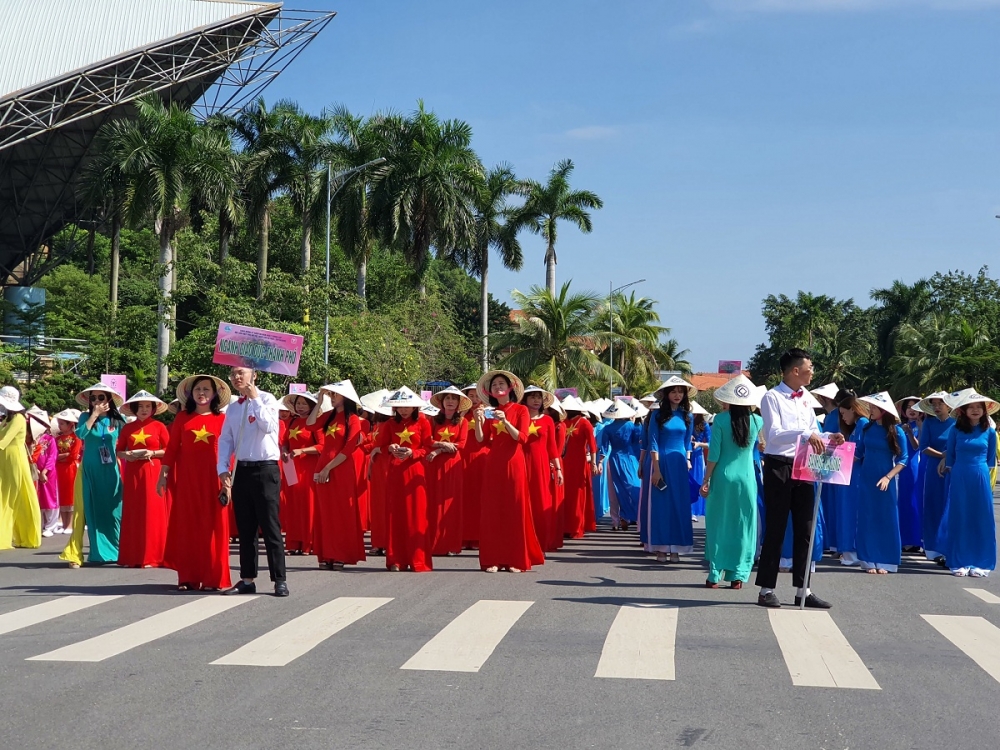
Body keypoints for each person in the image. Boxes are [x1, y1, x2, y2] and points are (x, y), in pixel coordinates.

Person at [755, 349, 843, 609]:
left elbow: (814, 431)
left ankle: (803, 589)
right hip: (779, 465)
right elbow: (774, 434)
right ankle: (766, 589)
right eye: (810, 366)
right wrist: (806, 433)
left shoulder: (807, 398)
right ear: (795, 370)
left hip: (805, 466)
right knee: (777, 527)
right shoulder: (772, 397)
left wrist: (830, 437)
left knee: (806, 527)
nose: (812, 371)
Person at [218, 365, 287, 597]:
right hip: (241, 470)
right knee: (246, 529)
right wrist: (222, 469)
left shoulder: (268, 399)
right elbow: (225, 439)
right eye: (233, 373)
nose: (237, 377)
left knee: (270, 527)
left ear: (254, 375)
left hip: (265, 469)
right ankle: (247, 579)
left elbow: (268, 427)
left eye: (242, 373)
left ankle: (279, 579)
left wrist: (255, 398)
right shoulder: (233, 408)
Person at [159, 374, 232, 591]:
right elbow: (172, 449)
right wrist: (163, 475)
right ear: (191, 393)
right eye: (198, 389)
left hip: (214, 478)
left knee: (214, 528)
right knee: (188, 527)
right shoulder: (182, 417)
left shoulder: (223, 419)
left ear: (214, 394)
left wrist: (227, 482)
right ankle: (188, 577)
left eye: (206, 389)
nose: (202, 393)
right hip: (188, 480)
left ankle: (213, 578)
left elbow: (229, 451)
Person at [474, 370, 544, 572]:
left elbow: (522, 438)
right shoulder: (489, 412)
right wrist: (479, 421)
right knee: (494, 511)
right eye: (494, 384)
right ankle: (494, 559)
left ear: (510, 387)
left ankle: (515, 559)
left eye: (501, 383)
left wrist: (505, 421)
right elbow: (482, 440)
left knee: (514, 510)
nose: (498, 387)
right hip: (494, 464)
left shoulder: (520, 410)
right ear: (490, 391)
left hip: (514, 463)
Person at [700, 375, 764, 588]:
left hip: (723, 477)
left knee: (719, 524)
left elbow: (714, 454)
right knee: (744, 525)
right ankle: (738, 574)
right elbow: (763, 447)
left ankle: (714, 574)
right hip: (747, 479)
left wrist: (706, 478)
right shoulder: (757, 421)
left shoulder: (719, 419)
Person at [310, 380, 366, 570]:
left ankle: (340, 554)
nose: (332, 397)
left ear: (346, 397)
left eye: (335, 394)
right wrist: (318, 401)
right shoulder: (327, 416)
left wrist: (328, 468)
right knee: (325, 513)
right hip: (323, 465)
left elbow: (348, 448)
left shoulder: (353, 419)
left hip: (340, 468)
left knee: (341, 512)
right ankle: (326, 555)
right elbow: (309, 425)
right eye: (331, 394)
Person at [941, 390, 998, 577]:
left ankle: (981, 562)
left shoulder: (989, 432)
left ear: (984, 411)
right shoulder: (955, 431)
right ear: (963, 411)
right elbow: (951, 455)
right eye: (971, 407)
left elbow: (991, 460)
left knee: (981, 518)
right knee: (961, 516)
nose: (975, 410)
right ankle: (960, 560)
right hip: (960, 474)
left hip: (980, 475)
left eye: (978, 407)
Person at [380, 387, 433, 572]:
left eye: (408, 406)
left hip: (415, 472)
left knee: (416, 516)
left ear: (415, 407)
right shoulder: (389, 424)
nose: (404, 410)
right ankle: (396, 559)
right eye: (400, 406)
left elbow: (428, 447)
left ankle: (417, 559)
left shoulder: (423, 423)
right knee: (396, 515)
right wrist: (391, 448)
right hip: (395, 473)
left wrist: (413, 452)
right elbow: (381, 445)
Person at [855, 392, 908, 574]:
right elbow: (858, 452)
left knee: (886, 517)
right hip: (867, 478)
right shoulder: (867, 429)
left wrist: (888, 477)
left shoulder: (897, 431)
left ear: (884, 410)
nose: (871, 409)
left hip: (886, 479)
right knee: (867, 516)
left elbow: (903, 459)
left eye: (874, 407)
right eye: (870, 406)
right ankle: (868, 558)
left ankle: (886, 560)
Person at [116, 391, 170, 568]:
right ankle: (132, 556)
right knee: (133, 512)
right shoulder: (127, 428)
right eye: (140, 407)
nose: (144, 410)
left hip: (153, 472)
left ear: (153, 409)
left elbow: (169, 450)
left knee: (152, 513)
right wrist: (127, 454)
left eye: (148, 406)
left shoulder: (159, 426)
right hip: (133, 473)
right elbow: (118, 450)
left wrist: (153, 453)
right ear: (134, 409)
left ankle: (153, 556)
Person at [648, 376, 698, 563]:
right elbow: (653, 442)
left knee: (680, 505)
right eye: (673, 391)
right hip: (662, 461)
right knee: (662, 506)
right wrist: (656, 469)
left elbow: (687, 444)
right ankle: (661, 548)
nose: (677, 395)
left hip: (679, 465)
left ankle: (677, 548)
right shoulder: (657, 415)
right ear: (666, 394)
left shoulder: (688, 416)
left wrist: (687, 460)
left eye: (680, 391)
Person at [74, 382, 125, 563]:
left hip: (111, 471)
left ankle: (119, 550)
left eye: (100, 397)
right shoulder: (84, 417)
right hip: (91, 470)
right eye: (93, 398)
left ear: (109, 399)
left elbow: (128, 441)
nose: (96, 401)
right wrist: (94, 415)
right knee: (93, 510)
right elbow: (80, 434)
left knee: (114, 512)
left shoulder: (118, 421)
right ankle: (98, 553)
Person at [427, 386, 471, 556]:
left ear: (459, 403)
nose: (451, 402)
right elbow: (427, 440)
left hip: (453, 465)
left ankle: (451, 544)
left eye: (454, 399)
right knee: (434, 503)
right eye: (447, 399)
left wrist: (438, 449)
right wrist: (440, 444)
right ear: (442, 402)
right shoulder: (433, 421)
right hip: (434, 466)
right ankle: (433, 543)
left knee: (451, 505)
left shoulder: (462, 422)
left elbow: (461, 444)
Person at [916, 391, 954, 564]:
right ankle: (931, 547)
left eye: (941, 403)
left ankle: (948, 547)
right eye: (934, 404)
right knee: (932, 505)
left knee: (948, 507)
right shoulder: (929, 423)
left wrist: (948, 459)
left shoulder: (957, 424)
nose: (937, 407)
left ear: (949, 405)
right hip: (933, 469)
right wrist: (942, 457)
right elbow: (924, 447)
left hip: (952, 469)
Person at [0, 386, 41, 550]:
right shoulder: (7, 419)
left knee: (9, 497)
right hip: (5, 459)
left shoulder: (18, 419)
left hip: (14, 459)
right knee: (11, 496)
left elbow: (5, 440)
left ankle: (17, 536)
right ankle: (19, 535)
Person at [282, 391, 323, 555]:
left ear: (311, 406)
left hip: (308, 468)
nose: (300, 407)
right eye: (298, 404)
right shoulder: (292, 421)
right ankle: (293, 543)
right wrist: (285, 451)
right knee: (292, 504)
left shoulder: (316, 423)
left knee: (308, 505)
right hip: (291, 467)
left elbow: (322, 446)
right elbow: (285, 442)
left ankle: (308, 543)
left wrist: (302, 451)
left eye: (304, 404)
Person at [832, 390, 869, 566]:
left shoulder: (862, 423)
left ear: (853, 409)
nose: (842, 418)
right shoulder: (854, 427)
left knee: (852, 511)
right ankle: (847, 550)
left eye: (843, 413)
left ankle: (853, 551)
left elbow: (861, 451)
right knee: (845, 510)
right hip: (848, 473)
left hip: (856, 474)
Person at [522, 385, 559, 551]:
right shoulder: (519, 419)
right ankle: (523, 540)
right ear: (525, 400)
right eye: (532, 397)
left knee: (541, 501)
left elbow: (552, 447)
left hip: (541, 466)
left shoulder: (548, 420)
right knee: (522, 502)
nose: (536, 400)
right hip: (521, 464)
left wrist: (558, 469)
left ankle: (541, 540)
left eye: (539, 397)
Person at [561, 394, 599, 539]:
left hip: (579, 463)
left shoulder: (584, 423)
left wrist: (594, 463)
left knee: (577, 495)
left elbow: (593, 446)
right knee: (565, 494)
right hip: (565, 463)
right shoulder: (563, 422)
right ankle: (565, 526)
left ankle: (576, 526)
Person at [599, 400, 641, 531]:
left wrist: (599, 462)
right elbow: (636, 442)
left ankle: (616, 520)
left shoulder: (607, 428)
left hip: (614, 459)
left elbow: (604, 448)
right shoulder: (631, 425)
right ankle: (636, 517)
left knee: (614, 490)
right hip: (630, 457)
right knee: (634, 487)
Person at [460, 384, 488, 550]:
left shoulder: (488, 412)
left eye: (477, 396)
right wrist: (462, 413)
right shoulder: (460, 414)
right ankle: (463, 536)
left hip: (480, 458)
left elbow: (483, 438)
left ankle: (478, 537)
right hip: (463, 458)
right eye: (471, 395)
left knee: (479, 498)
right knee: (464, 498)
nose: (474, 399)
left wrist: (481, 418)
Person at [896, 396, 924, 553]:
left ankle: (915, 540)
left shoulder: (921, 426)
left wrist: (910, 433)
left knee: (913, 502)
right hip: (900, 467)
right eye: (909, 407)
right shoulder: (898, 427)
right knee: (902, 502)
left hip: (914, 466)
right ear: (904, 410)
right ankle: (903, 538)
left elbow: (916, 446)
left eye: (915, 407)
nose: (912, 410)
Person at [26, 406, 60, 536]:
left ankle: (50, 526)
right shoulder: (29, 440)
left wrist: (44, 472)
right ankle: (40, 524)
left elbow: (52, 456)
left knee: (50, 497)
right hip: (34, 470)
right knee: (37, 497)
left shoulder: (49, 439)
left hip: (48, 472)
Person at [53, 408, 82, 535]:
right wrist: (62, 456)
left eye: (62, 423)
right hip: (59, 469)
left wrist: (61, 456)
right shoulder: (57, 438)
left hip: (71, 468)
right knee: (62, 494)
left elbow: (74, 455)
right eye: (59, 423)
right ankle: (64, 524)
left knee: (70, 495)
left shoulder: (76, 438)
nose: (59, 426)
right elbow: (54, 454)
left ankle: (70, 524)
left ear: (70, 424)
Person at [689, 408, 711, 518]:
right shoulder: (685, 422)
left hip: (697, 457)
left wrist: (699, 444)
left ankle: (694, 510)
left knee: (696, 480)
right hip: (684, 454)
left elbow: (711, 443)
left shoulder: (704, 425)